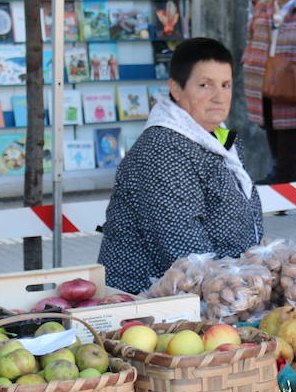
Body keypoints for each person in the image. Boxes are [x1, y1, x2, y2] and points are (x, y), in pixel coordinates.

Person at [99, 38, 263, 293]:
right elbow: (183, 249)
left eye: (226, 85)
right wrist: (238, 290)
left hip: (220, 291)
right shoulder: (163, 149)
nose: (219, 97)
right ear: (176, 89)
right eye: (205, 85)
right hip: (148, 304)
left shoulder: (220, 139)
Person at [243, 0, 296, 184]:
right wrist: (249, 58)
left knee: (289, 149)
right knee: (275, 144)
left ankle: (283, 200)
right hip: (264, 84)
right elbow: (251, 36)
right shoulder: (263, 7)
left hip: (293, 85)